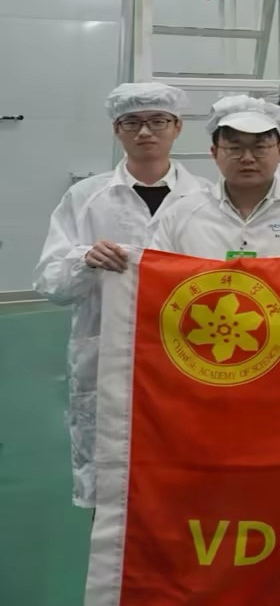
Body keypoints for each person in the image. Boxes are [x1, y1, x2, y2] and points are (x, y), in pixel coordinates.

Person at [34, 82, 207, 508]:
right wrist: (85, 260)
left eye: (158, 121)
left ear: (177, 127)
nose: (145, 131)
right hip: (108, 357)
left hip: (185, 355)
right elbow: (50, 282)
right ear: (117, 130)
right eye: (133, 122)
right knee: (112, 486)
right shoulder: (85, 198)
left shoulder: (206, 198)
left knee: (184, 478)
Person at [148, 95, 280, 258]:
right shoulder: (181, 215)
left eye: (260, 148)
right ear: (214, 152)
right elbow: (158, 278)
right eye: (234, 148)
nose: (247, 158)